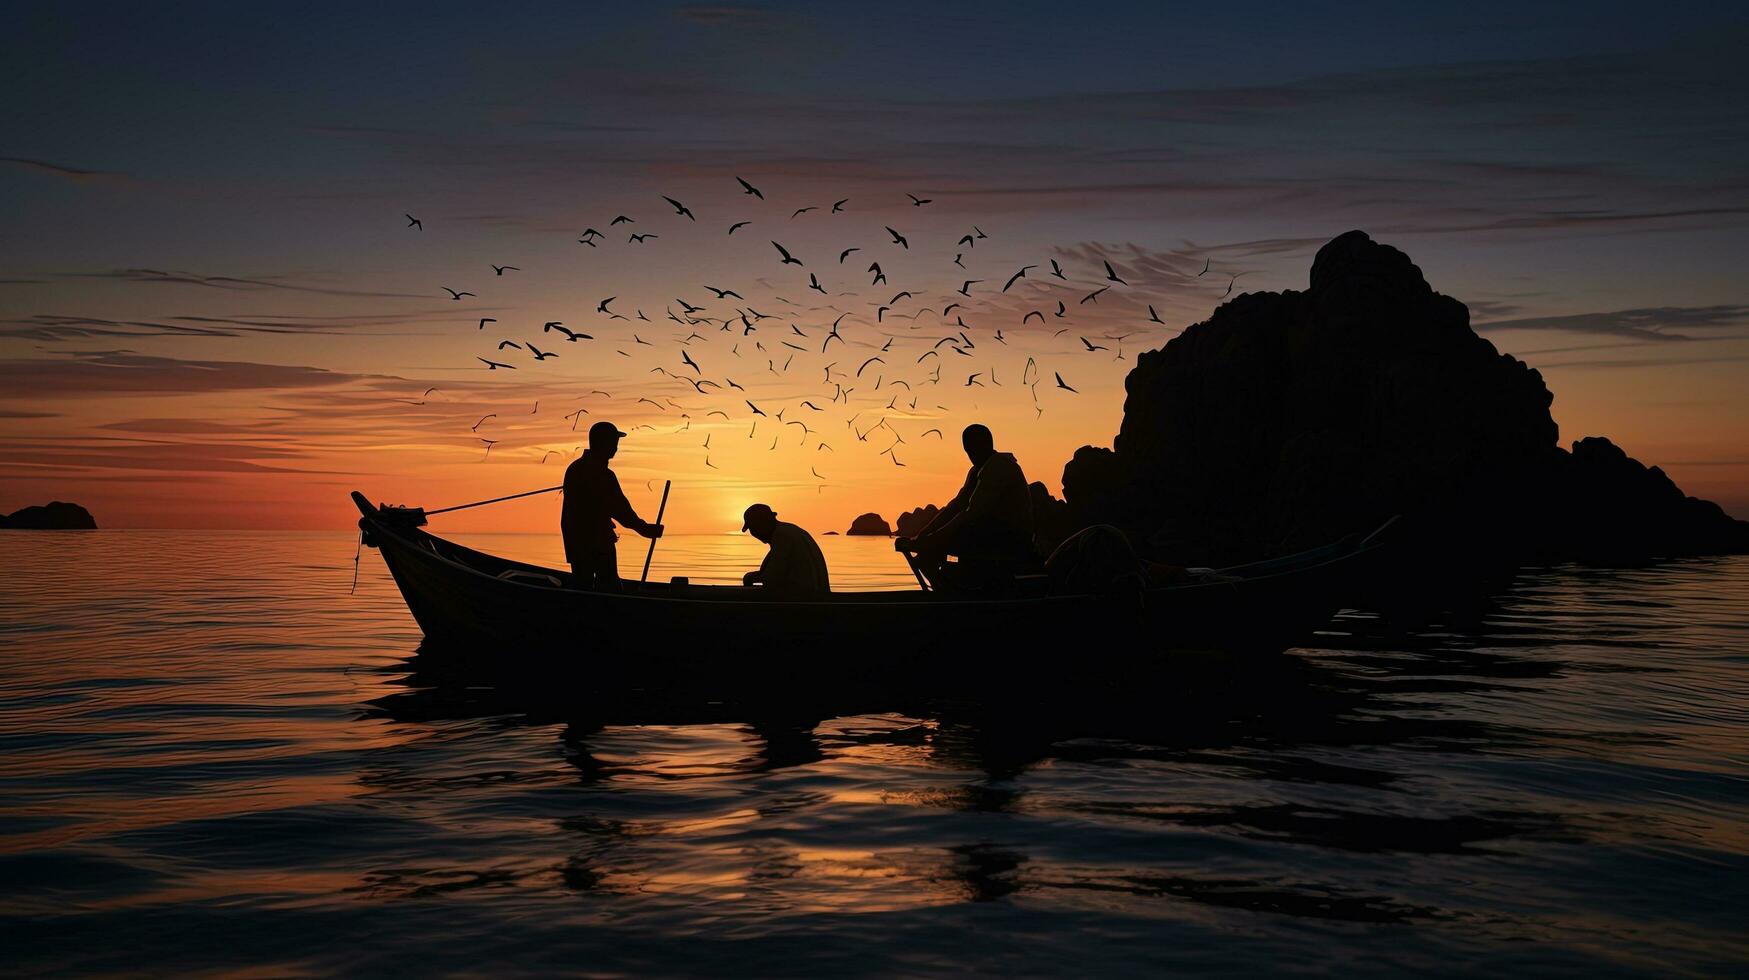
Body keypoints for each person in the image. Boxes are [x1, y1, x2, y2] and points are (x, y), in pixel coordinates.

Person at [896, 424, 1033, 580]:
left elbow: (971, 513)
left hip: (1012, 538)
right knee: (936, 544)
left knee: (947, 539)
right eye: (968, 451)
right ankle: (947, 585)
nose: (971, 455)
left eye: (974, 449)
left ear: (986, 445)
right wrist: (922, 535)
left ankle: (953, 586)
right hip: (989, 533)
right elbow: (956, 505)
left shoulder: (998, 466)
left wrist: (934, 539)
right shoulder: (977, 470)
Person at [561, 421, 662, 591]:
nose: (616, 446)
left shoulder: (575, 468)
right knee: (610, 585)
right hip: (595, 541)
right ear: (605, 443)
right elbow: (621, 510)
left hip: (575, 540)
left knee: (581, 584)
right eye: (614, 442)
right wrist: (645, 529)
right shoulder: (602, 474)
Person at [740, 503, 830, 598]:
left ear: (762, 524)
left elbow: (772, 578)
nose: (754, 533)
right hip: (816, 596)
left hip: (805, 601)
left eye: (753, 528)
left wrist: (750, 578)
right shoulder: (790, 531)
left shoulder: (782, 537)